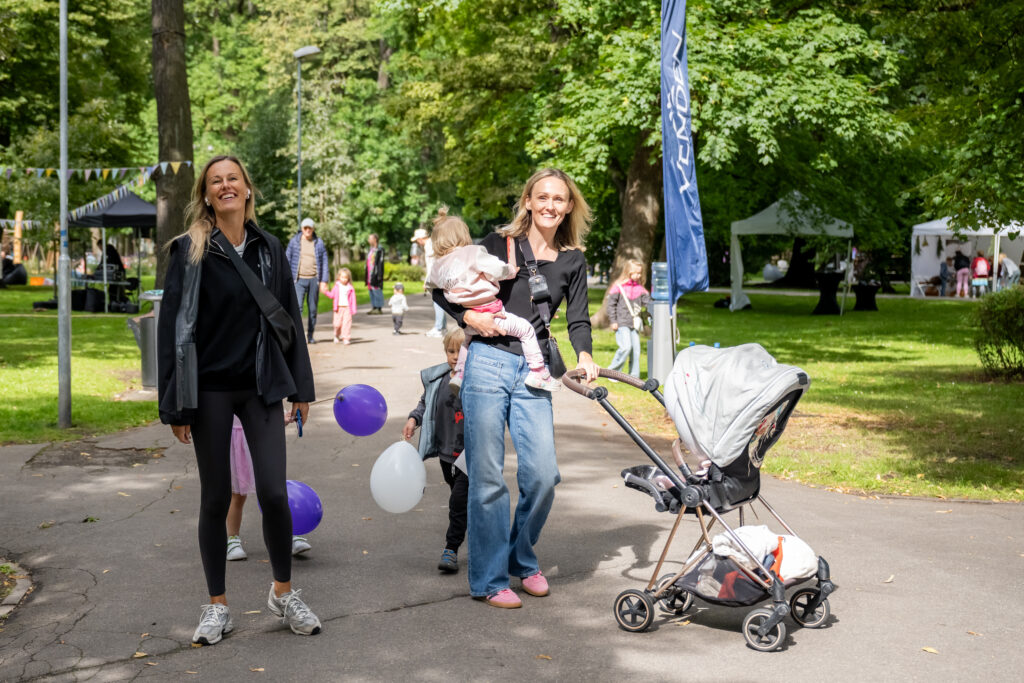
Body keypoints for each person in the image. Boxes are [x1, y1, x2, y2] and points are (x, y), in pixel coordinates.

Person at [157, 154, 321, 644]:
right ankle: (217, 606)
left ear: (247, 189)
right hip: (208, 390)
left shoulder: (269, 248)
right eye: (216, 181)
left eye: (233, 179)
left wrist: (301, 388)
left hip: (260, 385)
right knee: (214, 498)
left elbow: (288, 317)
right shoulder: (189, 249)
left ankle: (283, 593)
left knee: (273, 493)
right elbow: (171, 328)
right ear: (206, 195)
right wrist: (174, 403)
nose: (225, 186)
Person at [433, 168, 600, 608]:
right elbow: (442, 281)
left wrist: (585, 355)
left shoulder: (573, 260)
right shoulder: (496, 244)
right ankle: (490, 580)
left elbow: (578, 318)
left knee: (543, 475)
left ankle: (520, 556)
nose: (550, 205)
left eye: (559, 199)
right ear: (528, 200)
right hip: (487, 362)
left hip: (534, 368)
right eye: (542, 197)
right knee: (487, 476)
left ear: (569, 206)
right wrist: (468, 317)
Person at [428, 206, 560, 394]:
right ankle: (538, 372)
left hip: (470, 320)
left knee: (466, 342)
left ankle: (459, 374)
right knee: (526, 330)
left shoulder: (437, 266)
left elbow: (430, 286)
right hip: (492, 312)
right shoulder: (472, 252)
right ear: (463, 235)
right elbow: (496, 269)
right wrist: (511, 270)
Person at [402, 327, 469, 574]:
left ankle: (451, 549)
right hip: (445, 451)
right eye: (451, 351)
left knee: (457, 501)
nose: (455, 356)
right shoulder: (438, 379)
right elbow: (425, 403)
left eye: (461, 351)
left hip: (470, 453)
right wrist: (413, 419)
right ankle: (475, 525)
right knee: (461, 500)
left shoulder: (475, 380)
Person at [225, 416, 312, 561]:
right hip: (235, 440)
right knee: (238, 495)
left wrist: (280, 417)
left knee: (275, 491)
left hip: (262, 436)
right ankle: (232, 539)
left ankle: (288, 534)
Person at [285, 218, 329, 344]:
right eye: (305, 228)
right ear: (302, 229)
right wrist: (287, 279)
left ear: (313, 229)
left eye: (310, 228)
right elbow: (286, 259)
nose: (308, 230)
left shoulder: (319, 243)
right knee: (297, 308)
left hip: (314, 279)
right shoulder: (295, 241)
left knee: (313, 310)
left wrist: (324, 280)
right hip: (298, 280)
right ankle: (297, 336)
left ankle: (310, 335)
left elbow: (325, 262)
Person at [605, 259, 651, 377]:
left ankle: (634, 376)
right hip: (621, 323)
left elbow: (647, 304)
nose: (639, 275)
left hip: (634, 324)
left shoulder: (640, 289)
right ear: (628, 272)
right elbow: (611, 305)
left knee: (636, 350)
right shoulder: (618, 287)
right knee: (626, 347)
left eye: (640, 273)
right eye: (636, 273)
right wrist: (613, 321)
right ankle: (612, 372)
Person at [418, 228, 448, 338]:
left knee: (437, 302)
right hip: (440, 276)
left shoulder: (429, 245)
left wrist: (427, 280)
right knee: (440, 302)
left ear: (420, 239)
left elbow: (432, 264)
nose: (418, 242)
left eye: (417, 240)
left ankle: (439, 328)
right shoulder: (433, 242)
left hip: (436, 277)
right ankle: (442, 327)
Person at [320, 267, 357, 344]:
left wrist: (353, 308)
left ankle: (346, 338)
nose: (344, 279)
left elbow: (353, 299)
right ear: (339, 277)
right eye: (342, 277)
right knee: (337, 324)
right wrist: (325, 292)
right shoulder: (337, 286)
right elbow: (332, 295)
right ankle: (336, 335)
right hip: (338, 308)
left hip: (347, 308)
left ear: (348, 278)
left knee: (346, 324)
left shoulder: (350, 288)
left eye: (346, 277)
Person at [366, 233, 385, 314]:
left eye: (370, 238)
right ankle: (374, 307)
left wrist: (379, 275)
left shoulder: (380, 250)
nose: (368, 240)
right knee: (371, 290)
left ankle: (379, 308)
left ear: (375, 239)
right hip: (369, 274)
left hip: (376, 273)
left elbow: (380, 263)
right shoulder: (370, 250)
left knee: (377, 289)